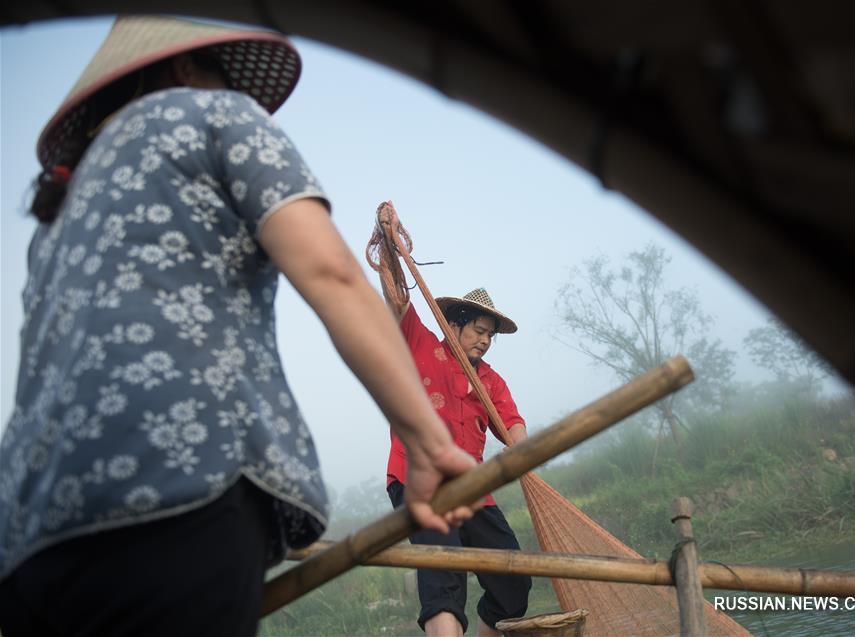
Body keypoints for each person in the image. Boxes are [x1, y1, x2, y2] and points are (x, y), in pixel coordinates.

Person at [0, 15, 479, 637]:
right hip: (175, 479)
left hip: (28, 533)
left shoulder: (57, 213)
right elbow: (331, 274)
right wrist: (426, 439)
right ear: (181, 69)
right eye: (222, 75)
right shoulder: (212, 116)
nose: (233, 91)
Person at [376, 208, 532, 637]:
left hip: (471, 490)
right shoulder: (422, 344)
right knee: (443, 577)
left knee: (512, 581)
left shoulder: (491, 382)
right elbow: (396, 298)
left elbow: (513, 426)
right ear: (456, 324)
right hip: (418, 476)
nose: (484, 339)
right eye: (478, 329)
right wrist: (390, 244)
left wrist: (524, 452)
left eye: (489, 334)